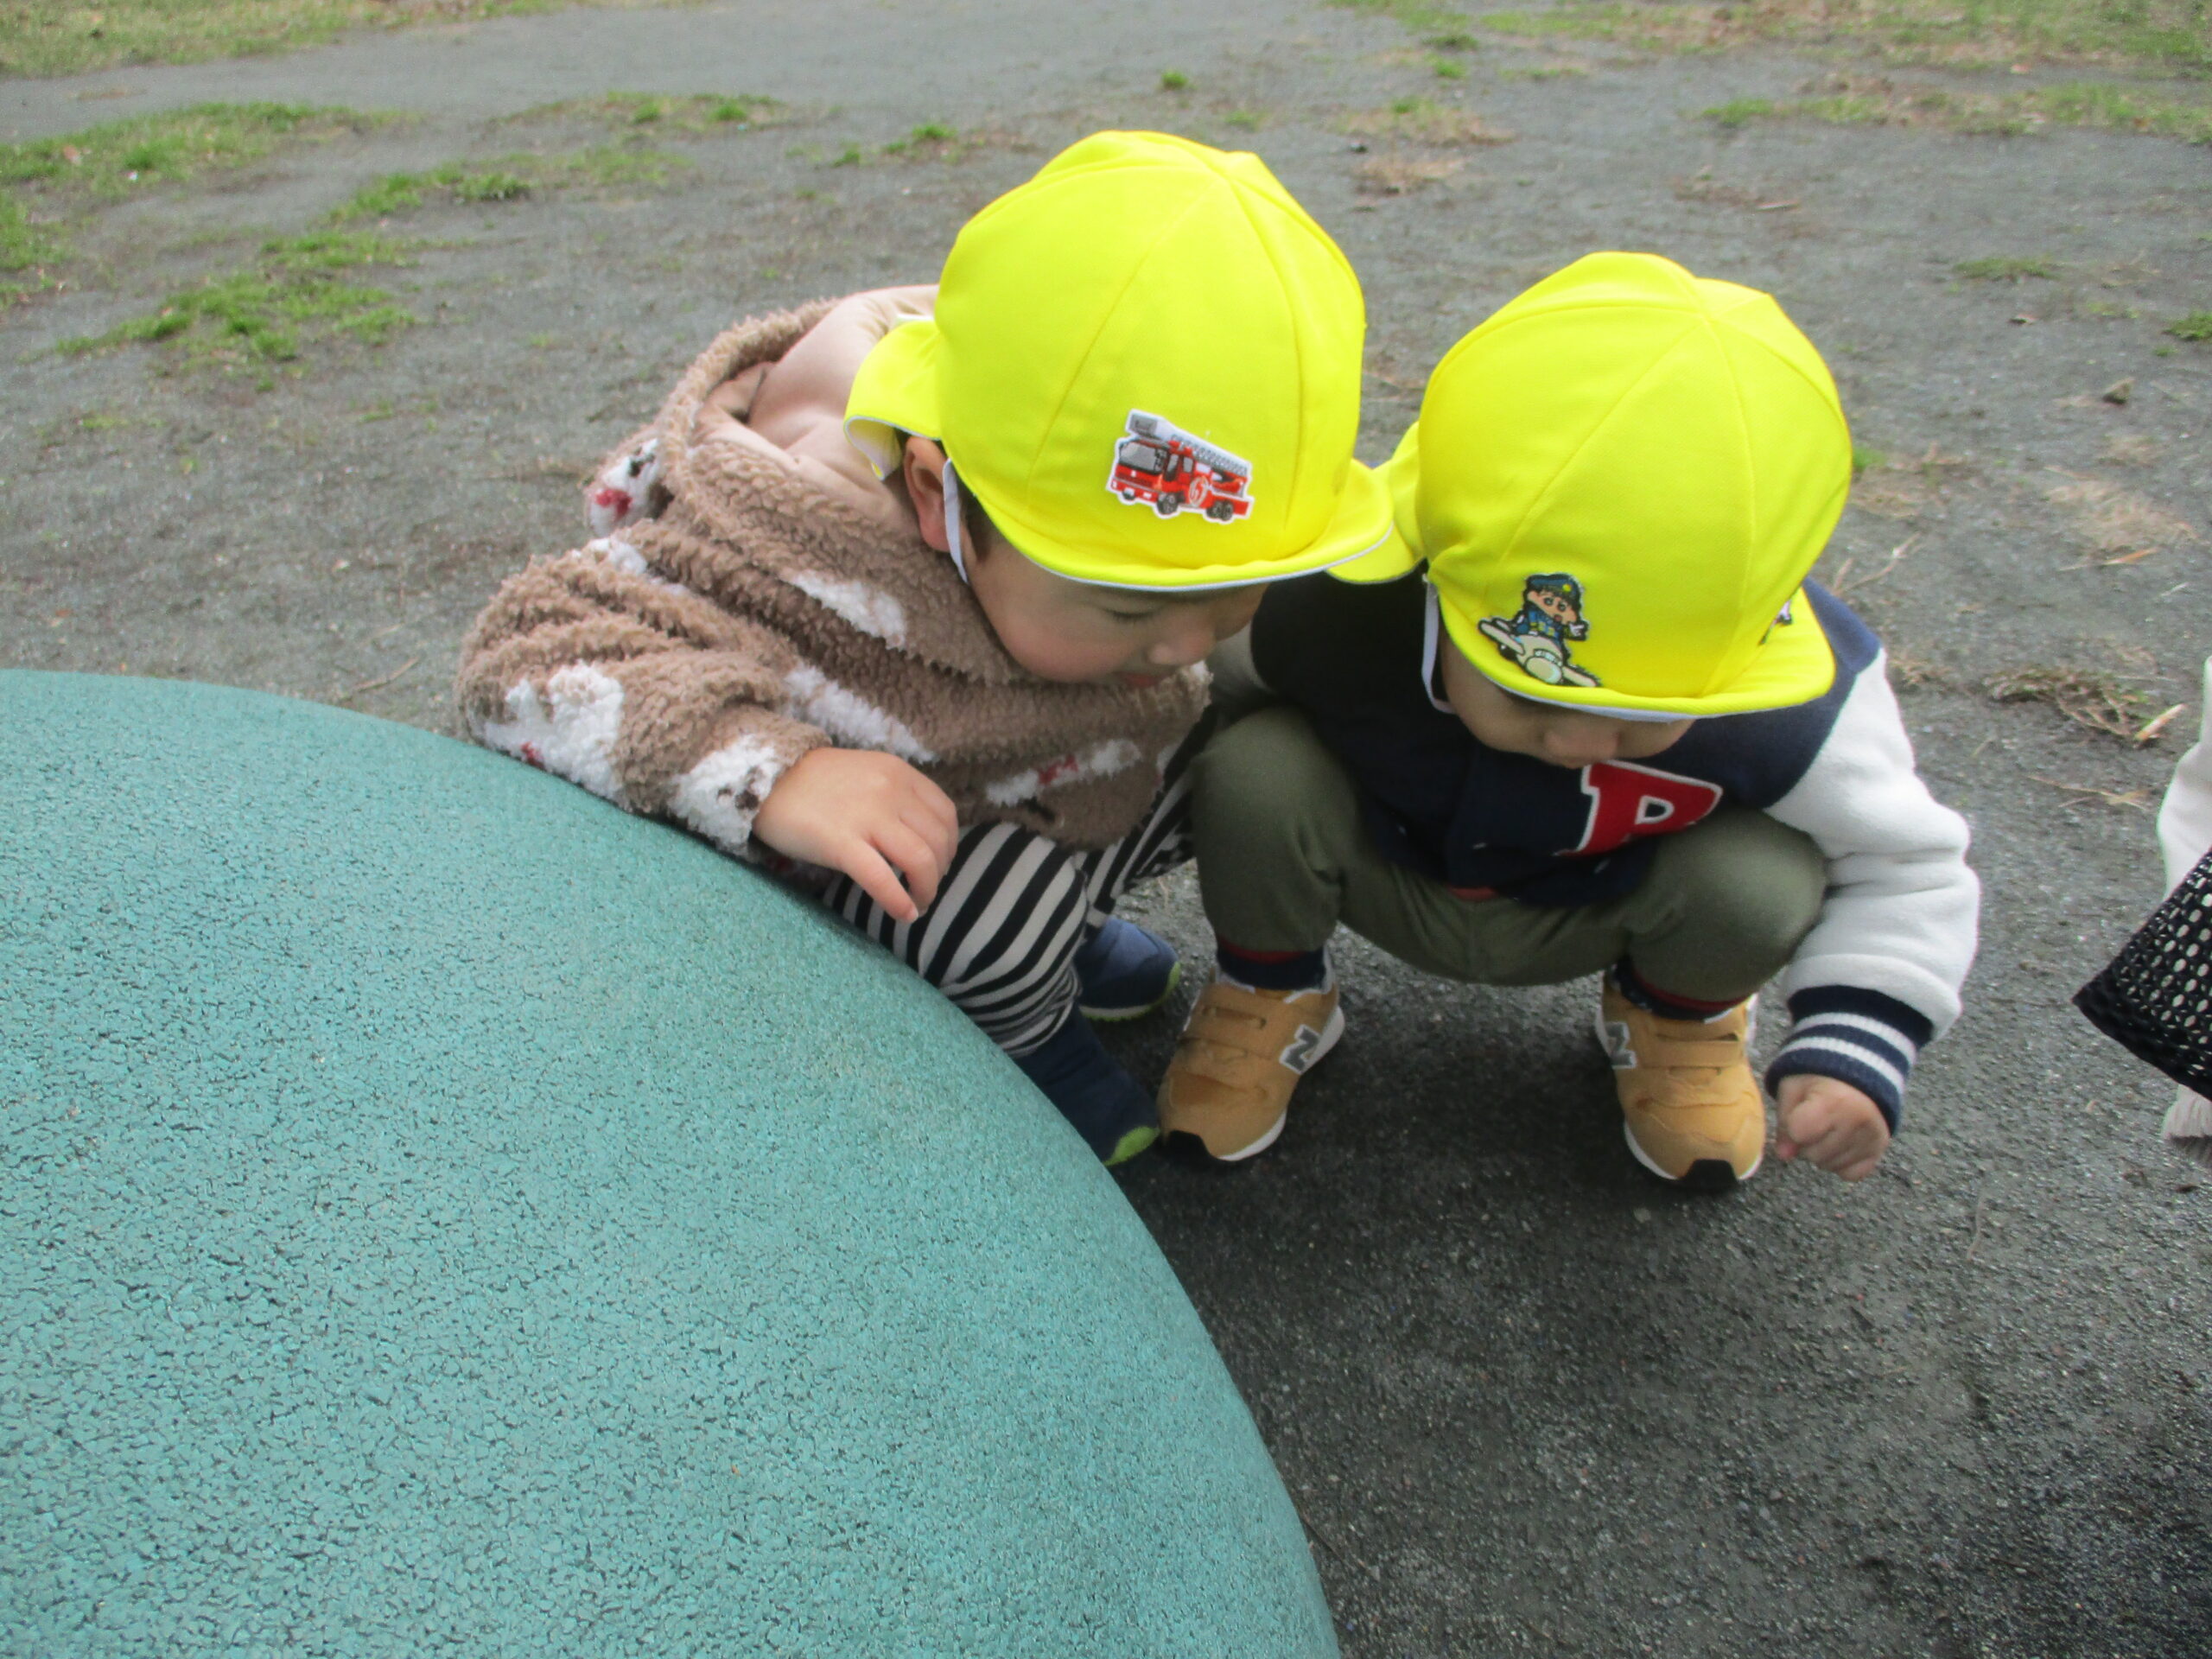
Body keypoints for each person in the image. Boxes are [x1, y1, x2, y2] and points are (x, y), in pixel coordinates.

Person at [456, 131, 1393, 1165]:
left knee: (1237, 747)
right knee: (975, 923)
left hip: (1030, 773)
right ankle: (1019, 1033)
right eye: (1128, 610)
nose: (1182, 642)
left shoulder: (1070, 446)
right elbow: (519, 659)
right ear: (934, 493)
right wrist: (776, 772)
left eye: (1226, 592)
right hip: (867, 871)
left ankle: (1055, 935)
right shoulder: (789, 544)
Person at [1155, 252, 1980, 1188]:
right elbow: (1182, 688)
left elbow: (1907, 865)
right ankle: (1269, 984)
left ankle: (1677, 1017)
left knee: (1763, 879)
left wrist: (1858, 1040)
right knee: (1255, 768)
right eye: (1533, 694)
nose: (1582, 743)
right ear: (1438, 578)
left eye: (1649, 714)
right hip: (1390, 866)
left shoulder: (1794, 690)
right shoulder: (1338, 603)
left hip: (1615, 903)